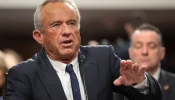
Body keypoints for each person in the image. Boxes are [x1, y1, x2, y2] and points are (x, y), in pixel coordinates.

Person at [4, 0, 162, 100]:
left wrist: (139, 83)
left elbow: (154, 97)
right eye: (56, 25)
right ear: (39, 36)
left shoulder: (103, 58)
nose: (67, 31)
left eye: (72, 23)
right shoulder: (23, 74)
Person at [128, 23, 175, 100]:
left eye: (152, 46)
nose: (144, 51)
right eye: (138, 46)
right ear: (130, 53)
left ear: (162, 53)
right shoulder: (117, 88)